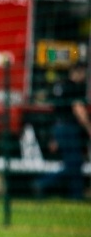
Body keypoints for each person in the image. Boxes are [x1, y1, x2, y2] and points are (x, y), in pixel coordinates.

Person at [35, 62, 91, 199]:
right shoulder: (75, 87)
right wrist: (89, 128)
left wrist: (54, 137)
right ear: (77, 72)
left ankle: (76, 195)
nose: (85, 76)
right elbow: (79, 110)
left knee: (72, 163)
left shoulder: (59, 86)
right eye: (84, 73)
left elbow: (55, 110)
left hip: (58, 128)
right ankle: (43, 183)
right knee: (75, 164)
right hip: (69, 128)